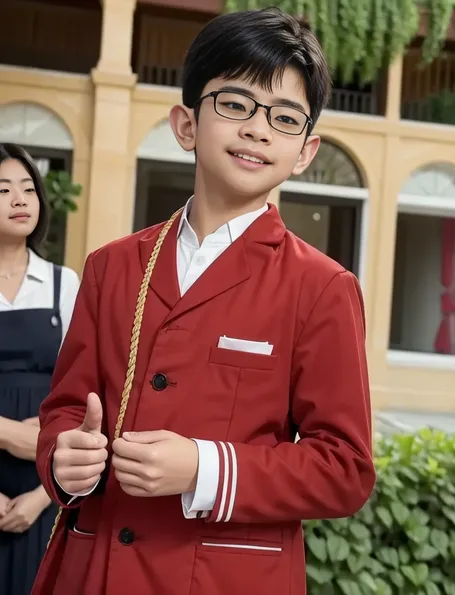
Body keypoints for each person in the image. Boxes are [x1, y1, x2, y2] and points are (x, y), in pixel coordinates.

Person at [33, 8, 376, 595]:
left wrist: (204, 468)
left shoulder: (321, 287)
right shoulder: (112, 266)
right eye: (236, 104)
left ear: (305, 151)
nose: (257, 129)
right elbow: (65, 409)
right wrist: (64, 461)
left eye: (285, 118)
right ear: (187, 125)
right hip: (93, 571)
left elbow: (345, 468)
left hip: (224, 578)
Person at [0, 143, 80, 595]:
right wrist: (9, 433)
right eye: (4, 189)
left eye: (28, 189)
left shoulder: (62, 284)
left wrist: (40, 499)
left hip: (44, 489)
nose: (19, 200)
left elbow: (86, 389)